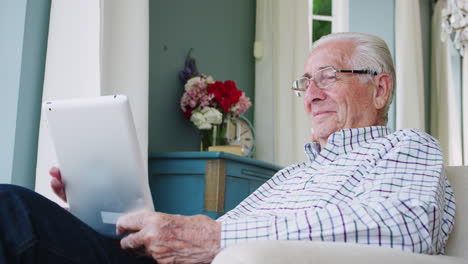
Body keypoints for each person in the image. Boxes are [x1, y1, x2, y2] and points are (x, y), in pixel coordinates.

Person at [0, 32, 455, 264]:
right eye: (305, 82)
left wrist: (214, 237)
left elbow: (407, 225)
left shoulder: (405, 147)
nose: (311, 92)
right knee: (17, 210)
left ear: (380, 89)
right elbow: (214, 233)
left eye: (329, 76)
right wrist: (112, 210)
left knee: (10, 210)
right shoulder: (291, 176)